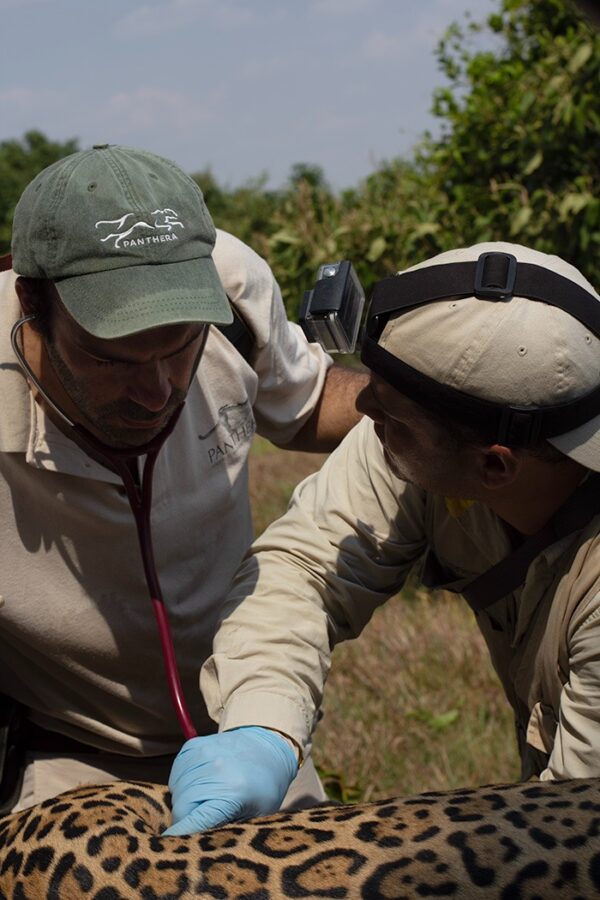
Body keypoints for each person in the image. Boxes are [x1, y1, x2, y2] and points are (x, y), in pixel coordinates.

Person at [163, 241, 600, 835]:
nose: (361, 404)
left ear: (494, 469)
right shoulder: (448, 431)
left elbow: (566, 839)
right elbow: (306, 568)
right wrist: (262, 728)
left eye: (392, 417)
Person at [0, 143, 367, 815]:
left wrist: (432, 397)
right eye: (113, 359)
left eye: (181, 347)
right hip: (70, 757)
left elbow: (308, 402)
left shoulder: (232, 286)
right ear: (32, 302)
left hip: (248, 736)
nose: (158, 390)